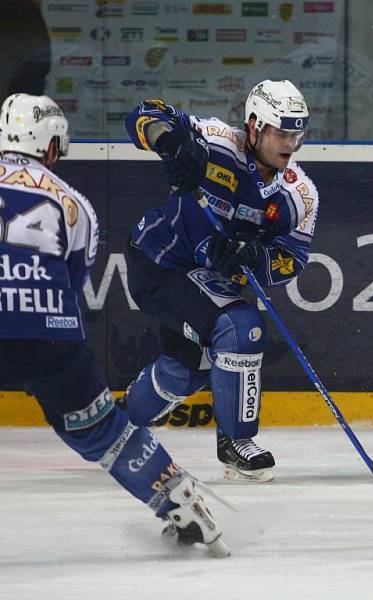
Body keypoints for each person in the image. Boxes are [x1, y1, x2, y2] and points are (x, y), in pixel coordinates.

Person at [0, 93, 228, 556]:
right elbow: (73, 280)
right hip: (51, 338)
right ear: (50, 147)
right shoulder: (75, 204)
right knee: (106, 432)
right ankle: (179, 498)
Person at [121, 80, 318, 483]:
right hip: (158, 260)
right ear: (254, 125)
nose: (290, 144)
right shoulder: (215, 141)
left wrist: (255, 256)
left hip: (205, 280)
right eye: (281, 133)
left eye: (297, 135)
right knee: (242, 327)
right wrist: (170, 143)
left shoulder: (300, 194)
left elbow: (291, 261)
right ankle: (236, 442)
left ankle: (120, 427)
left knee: (185, 371)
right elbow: (145, 113)